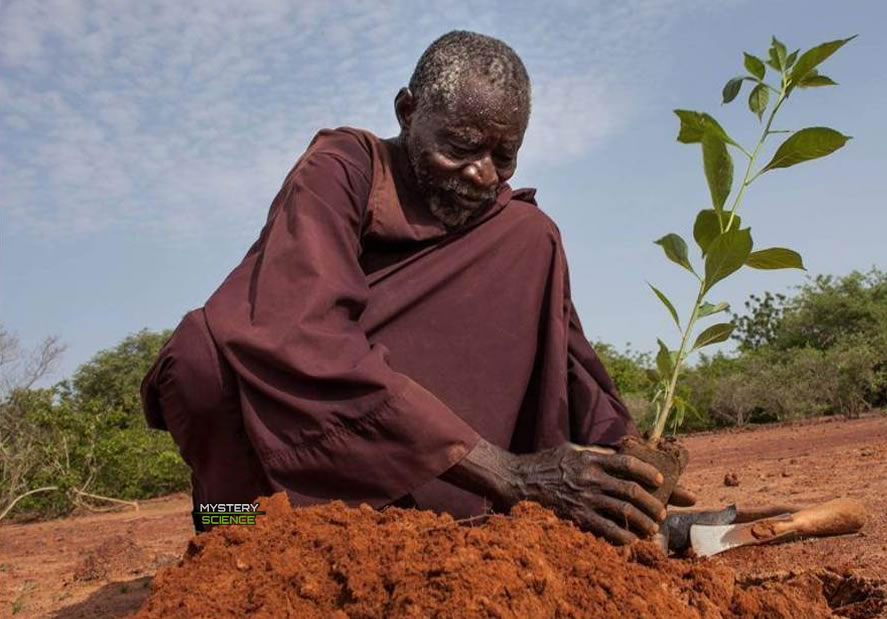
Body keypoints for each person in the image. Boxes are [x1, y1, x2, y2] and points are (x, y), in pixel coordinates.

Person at [141, 30, 696, 546]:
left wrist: (627, 464)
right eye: (460, 146)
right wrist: (508, 473)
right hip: (276, 455)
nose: (481, 174)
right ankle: (223, 521)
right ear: (407, 112)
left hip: (412, 465)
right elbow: (302, 333)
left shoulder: (511, 230)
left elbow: (567, 354)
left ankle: (491, 522)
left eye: (503, 157)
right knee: (203, 363)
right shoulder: (341, 170)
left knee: (531, 235)